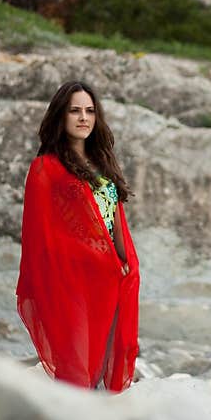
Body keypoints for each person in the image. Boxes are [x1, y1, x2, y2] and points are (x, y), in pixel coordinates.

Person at [16, 80, 140, 393]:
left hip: (109, 280)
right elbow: (39, 234)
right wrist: (79, 260)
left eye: (89, 111)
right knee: (75, 364)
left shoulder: (101, 165)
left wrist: (126, 263)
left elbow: (114, 222)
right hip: (71, 282)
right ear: (61, 116)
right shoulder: (45, 168)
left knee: (100, 365)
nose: (83, 117)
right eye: (74, 111)